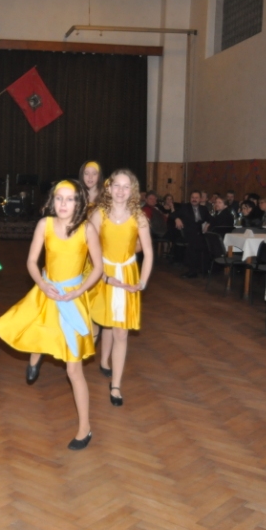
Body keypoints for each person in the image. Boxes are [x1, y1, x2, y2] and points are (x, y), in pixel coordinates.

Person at [0, 180, 103, 450]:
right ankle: (35, 356)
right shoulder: (45, 225)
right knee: (36, 328)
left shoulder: (87, 229)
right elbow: (32, 261)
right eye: (59, 198)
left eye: (69, 199)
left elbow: (98, 268)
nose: (63, 204)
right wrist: (43, 285)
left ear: (79, 203)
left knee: (73, 369)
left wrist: (79, 291)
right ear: (52, 201)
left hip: (73, 298)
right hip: (48, 292)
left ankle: (85, 428)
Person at [88, 169, 153, 407]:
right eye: (117, 185)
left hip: (126, 276)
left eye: (126, 186)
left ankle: (115, 385)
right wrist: (104, 277)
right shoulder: (99, 214)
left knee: (121, 332)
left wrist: (141, 283)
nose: (121, 191)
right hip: (101, 274)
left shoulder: (139, 217)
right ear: (109, 187)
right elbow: (89, 250)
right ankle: (95, 360)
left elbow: (148, 253)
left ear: (132, 190)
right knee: (98, 322)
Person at [173, 191, 211, 278]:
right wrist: (177, 218)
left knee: (209, 241)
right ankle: (193, 271)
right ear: (190, 199)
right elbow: (173, 214)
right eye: (192, 197)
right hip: (188, 232)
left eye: (196, 198)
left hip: (200, 233)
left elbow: (210, 218)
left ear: (200, 199)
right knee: (195, 242)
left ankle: (204, 268)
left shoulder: (203, 209)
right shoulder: (185, 207)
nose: (194, 199)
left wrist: (208, 224)